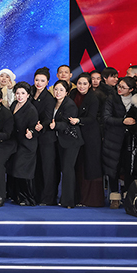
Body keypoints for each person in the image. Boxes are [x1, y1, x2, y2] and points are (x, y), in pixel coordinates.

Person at [101, 76, 137, 209]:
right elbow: (106, 118)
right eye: (119, 86)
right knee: (113, 168)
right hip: (113, 138)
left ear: (131, 89)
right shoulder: (111, 98)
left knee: (129, 168)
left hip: (131, 138)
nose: (119, 89)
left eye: (123, 87)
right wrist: (122, 121)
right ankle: (114, 197)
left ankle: (128, 196)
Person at [69, 73, 104, 207]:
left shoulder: (93, 97)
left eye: (85, 84)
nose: (81, 86)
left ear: (90, 85)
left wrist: (78, 120)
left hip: (90, 136)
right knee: (78, 165)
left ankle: (91, 200)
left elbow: (91, 117)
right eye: (79, 83)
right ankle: (78, 198)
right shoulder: (73, 94)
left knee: (90, 165)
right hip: (76, 136)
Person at [50, 80, 84, 208]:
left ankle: (69, 201)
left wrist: (55, 125)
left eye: (61, 90)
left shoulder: (70, 105)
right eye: (56, 89)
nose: (58, 92)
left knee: (67, 169)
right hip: (60, 140)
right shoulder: (54, 102)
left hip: (71, 141)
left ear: (67, 92)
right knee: (63, 169)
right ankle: (64, 198)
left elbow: (66, 123)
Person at [9, 82, 39, 206]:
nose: (20, 96)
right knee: (15, 170)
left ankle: (28, 198)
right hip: (16, 143)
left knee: (23, 171)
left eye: (23, 93)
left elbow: (34, 127)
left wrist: (31, 133)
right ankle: (17, 196)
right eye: (17, 93)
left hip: (27, 145)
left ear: (28, 95)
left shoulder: (31, 109)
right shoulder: (14, 104)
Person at [32, 67, 58, 206]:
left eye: (42, 81)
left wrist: (42, 125)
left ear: (48, 82)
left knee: (47, 169)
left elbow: (48, 118)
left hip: (46, 137)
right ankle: (36, 196)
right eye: (37, 80)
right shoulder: (31, 93)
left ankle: (48, 198)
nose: (39, 83)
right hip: (33, 137)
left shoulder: (49, 98)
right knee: (36, 168)